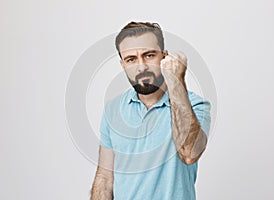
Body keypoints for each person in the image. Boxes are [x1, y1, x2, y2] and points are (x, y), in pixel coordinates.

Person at [90, 21, 211, 200]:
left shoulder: (195, 105)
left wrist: (176, 79)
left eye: (149, 55)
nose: (141, 67)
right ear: (123, 64)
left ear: (165, 57)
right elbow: (105, 177)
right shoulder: (113, 109)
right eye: (131, 59)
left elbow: (188, 153)